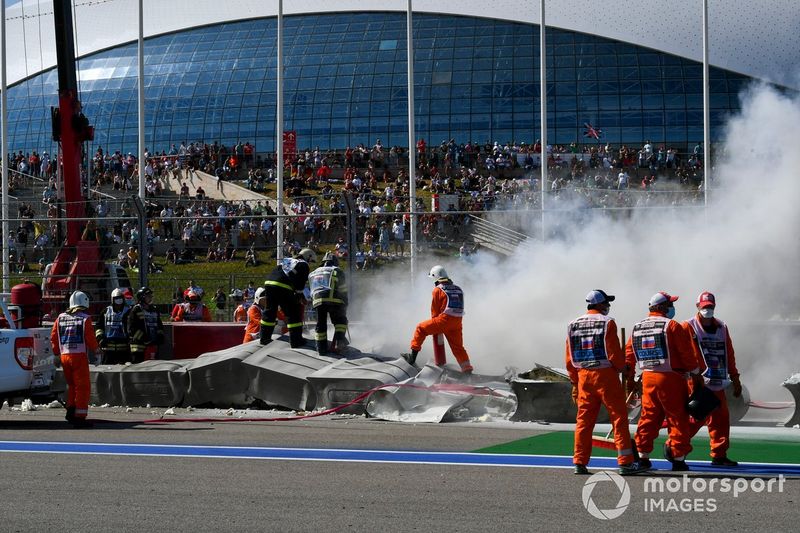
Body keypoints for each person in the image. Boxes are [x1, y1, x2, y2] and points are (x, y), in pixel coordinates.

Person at [566, 290, 645, 475]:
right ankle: (625, 462)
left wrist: (574, 383)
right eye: (606, 303)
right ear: (600, 305)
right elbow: (613, 354)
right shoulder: (608, 323)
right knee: (619, 418)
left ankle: (579, 462)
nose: (608, 306)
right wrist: (624, 369)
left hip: (584, 376)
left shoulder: (573, 324)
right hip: (605, 376)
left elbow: (569, 358)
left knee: (584, 421)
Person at [625, 291, 703, 472]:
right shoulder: (672, 326)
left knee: (648, 417)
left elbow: (628, 356)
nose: (672, 308)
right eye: (670, 304)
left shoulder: (637, 327)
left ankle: (643, 457)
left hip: (648, 378)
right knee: (678, 419)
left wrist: (630, 380)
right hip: (671, 378)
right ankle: (678, 459)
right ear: (662, 307)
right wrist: (696, 374)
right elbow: (687, 354)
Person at [683, 291, 742, 467]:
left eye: (710, 306)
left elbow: (729, 353)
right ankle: (675, 448)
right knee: (695, 418)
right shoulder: (688, 326)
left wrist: (735, 377)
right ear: (697, 307)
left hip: (718, 381)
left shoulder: (722, 327)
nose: (707, 309)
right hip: (696, 382)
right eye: (704, 307)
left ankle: (719, 455)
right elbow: (681, 352)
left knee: (721, 418)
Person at [403, 265, 473, 375]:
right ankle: (467, 370)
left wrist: (435, 327)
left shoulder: (438, 290)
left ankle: (412, 358)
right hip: (457, 322)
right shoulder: (458, 288)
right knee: (458, 347)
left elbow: (434, 311)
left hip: (444, 320)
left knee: (420, 328)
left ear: (436, 278)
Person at [50, 290, 98, 427]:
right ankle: (80, 417)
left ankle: (70, 411)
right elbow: (90, 338)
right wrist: (97, 351)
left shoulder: (60, 318)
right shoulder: (85, 318)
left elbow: (53, 337)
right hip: (79, 357)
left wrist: (56, 354)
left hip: (65, 356)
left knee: (71, 385)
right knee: (83, 387)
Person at [260, 248, 315, 348]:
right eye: (311, 261)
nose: (310, 264)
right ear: (308, 257)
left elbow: (288, 276)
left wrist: (300, 294)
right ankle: (296, 341)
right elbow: (300, 284)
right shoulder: (303, 264)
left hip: (269, 283)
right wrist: (300, 297)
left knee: (270, 311)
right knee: (293, 313)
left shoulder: (289, 260)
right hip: (283, 286)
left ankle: (264, 339)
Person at [308, 252, 348, 355]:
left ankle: (321, 349)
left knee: (320, 324)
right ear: (334, 262)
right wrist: (345, 303)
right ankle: (340, 343)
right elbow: (343, 289)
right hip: (334, 299)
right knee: (340, 321)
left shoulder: (313, 272)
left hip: (317, 301)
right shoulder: (336, 270)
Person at [127, 286, 165, 363]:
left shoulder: (154, 310)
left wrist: (160, 336)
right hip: (138, 347)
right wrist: (144, 338)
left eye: (151, 296)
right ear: (141, 297)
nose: (150, 298)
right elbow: (132, 328)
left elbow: (159, 325)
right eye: (148, 296)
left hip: (152, 345)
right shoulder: (136, 310)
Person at [94, 288, 131, 364]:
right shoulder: (105, 312)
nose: (119, 301)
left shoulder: (129, 311)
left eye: (120, 298)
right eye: (116, 299)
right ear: (112, 300)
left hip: (124, 348)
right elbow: (99, 327)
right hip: (108, 348)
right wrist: (100, 339)